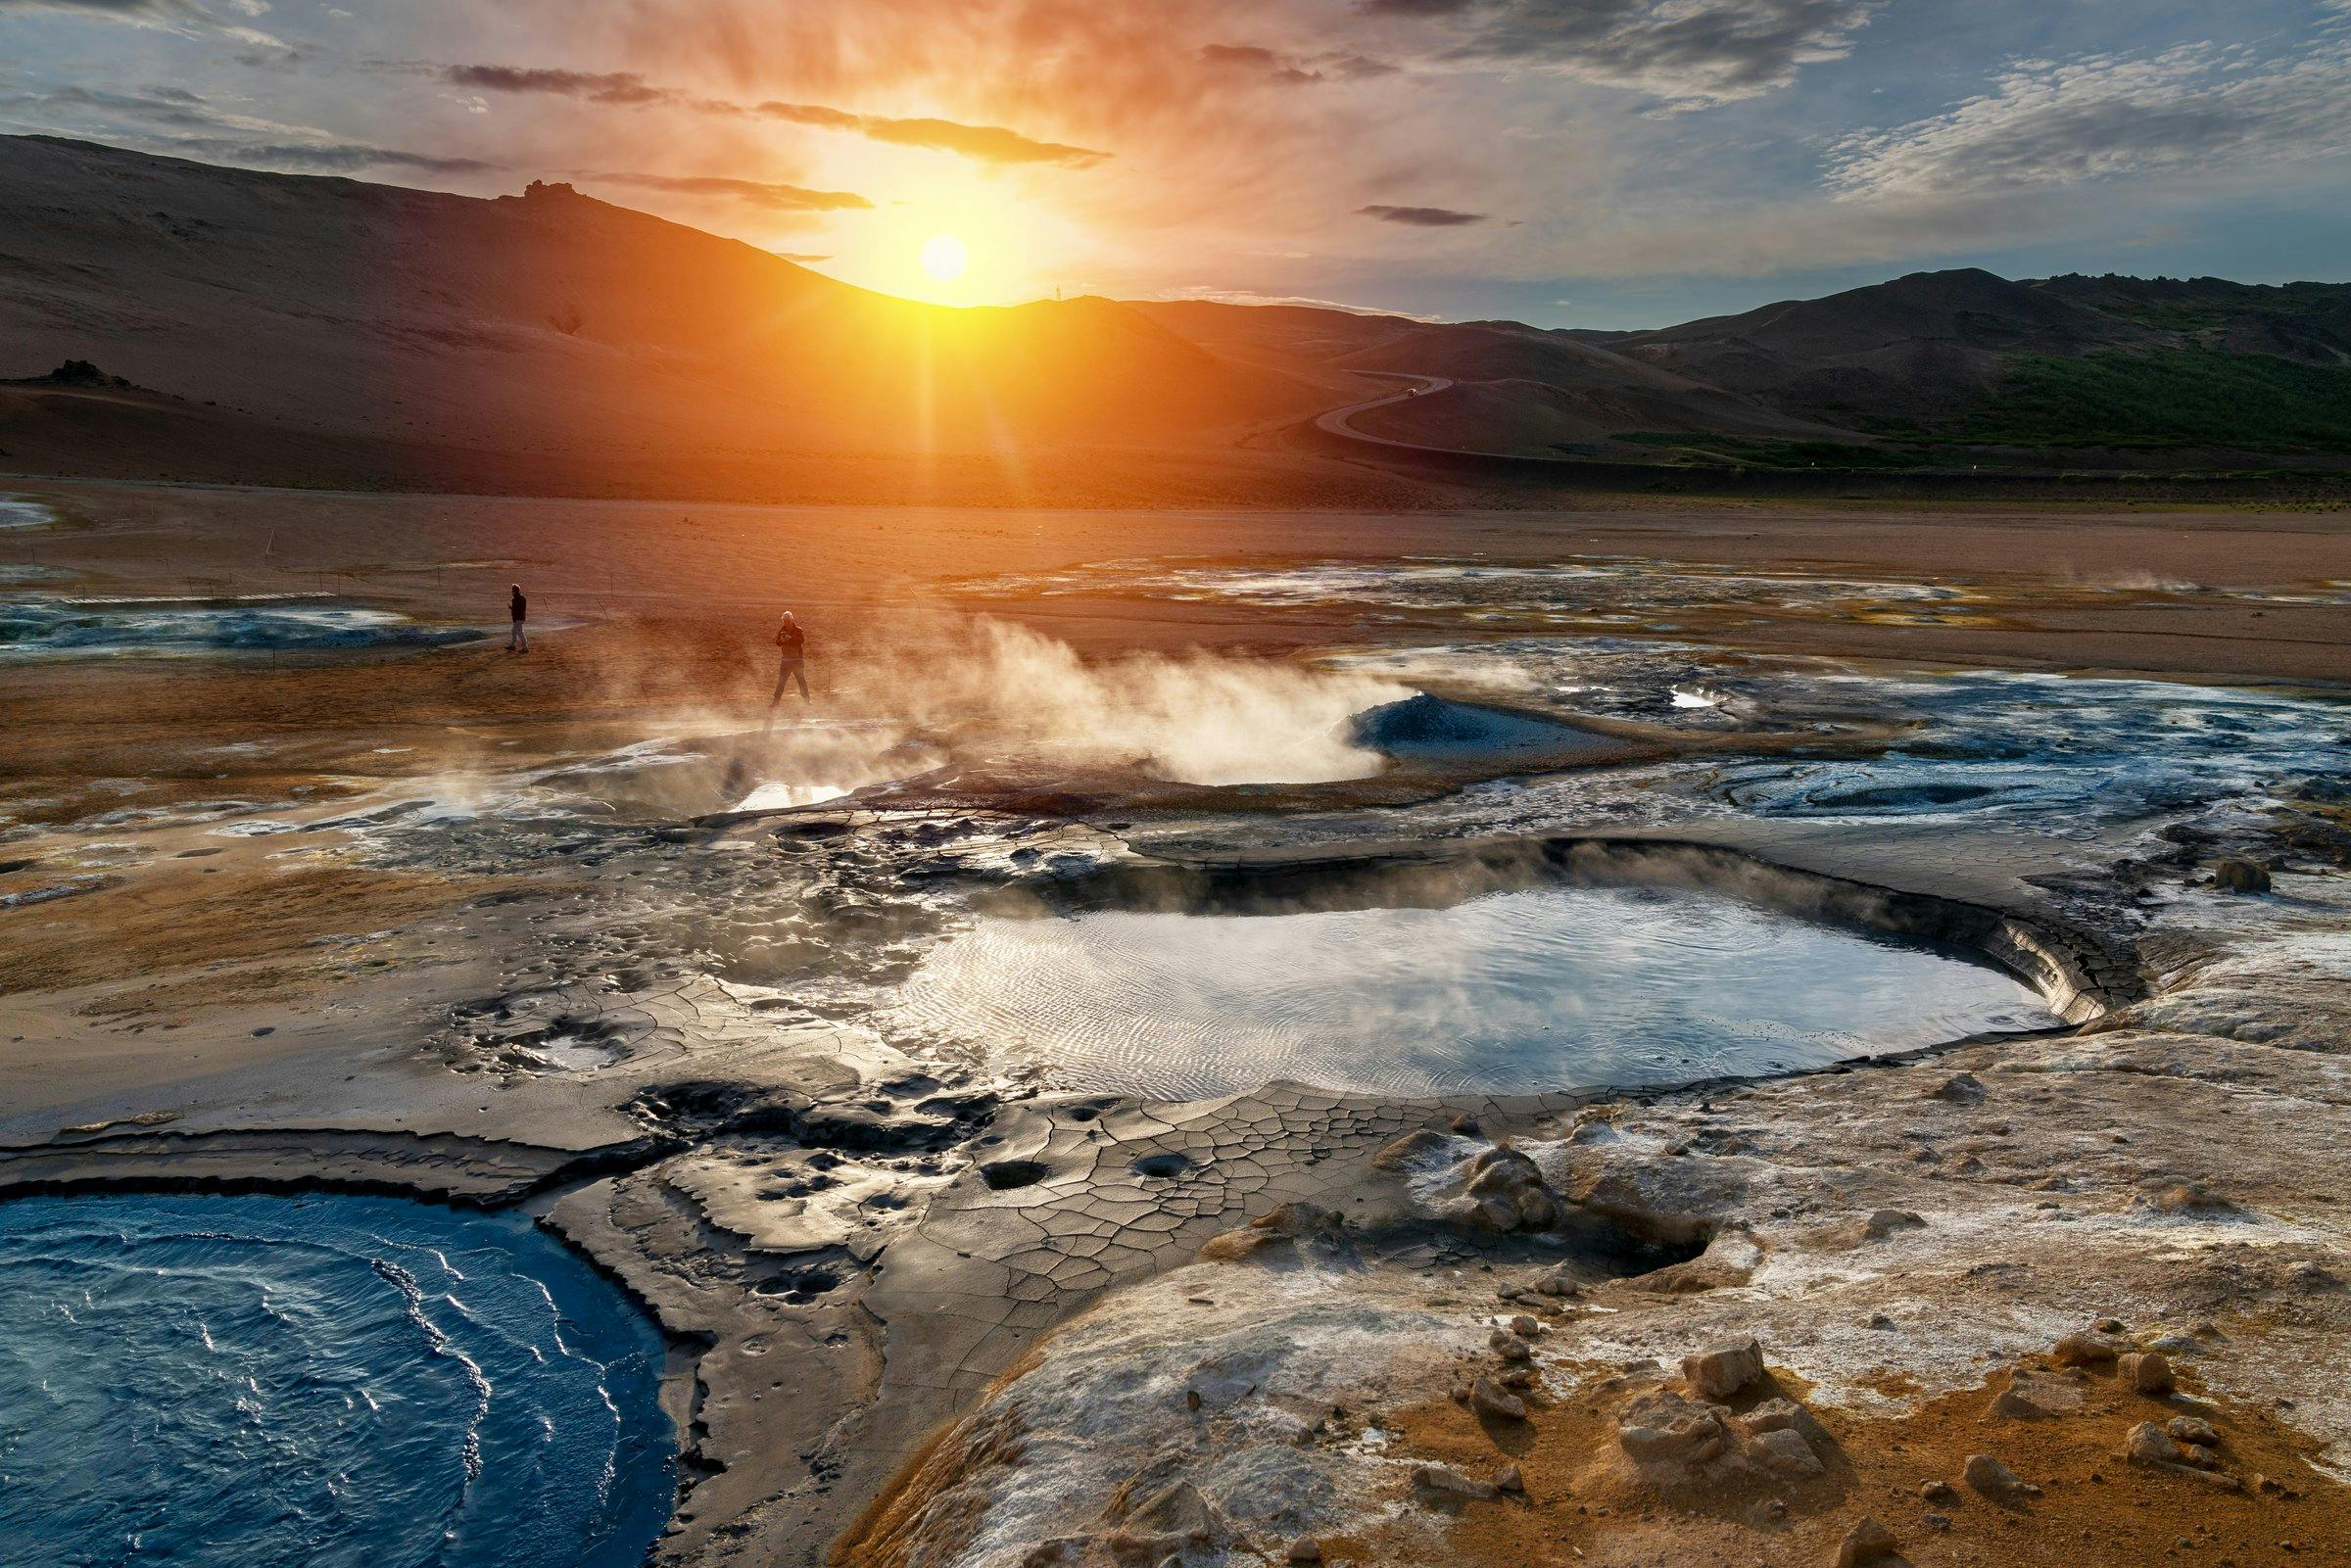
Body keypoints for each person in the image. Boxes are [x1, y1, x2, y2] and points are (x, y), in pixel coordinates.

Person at [770, 610, 809, 703]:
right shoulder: (782, 631)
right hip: (786, 660)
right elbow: (777, 643)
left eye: (788, 621)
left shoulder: (798, 630)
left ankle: (807, 700)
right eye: (785, 621)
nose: (786, 623)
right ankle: (776, 700)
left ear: (792, 620)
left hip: (796, 660)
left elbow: (801, 641)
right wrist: (782, 640)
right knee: (781, 681)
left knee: (801, 680)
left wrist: (790, 639)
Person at [507, 583, 528, 653]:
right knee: (514, 631)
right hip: (522, 617)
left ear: (514, 591)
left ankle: (525, 647)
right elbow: (521, 608)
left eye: (512, 590)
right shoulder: (523, 598)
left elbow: (516, 609)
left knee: (519, 632)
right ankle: (513, 645)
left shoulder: (515, 599)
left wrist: (511, 609)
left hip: (517, 618)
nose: (512, 592)